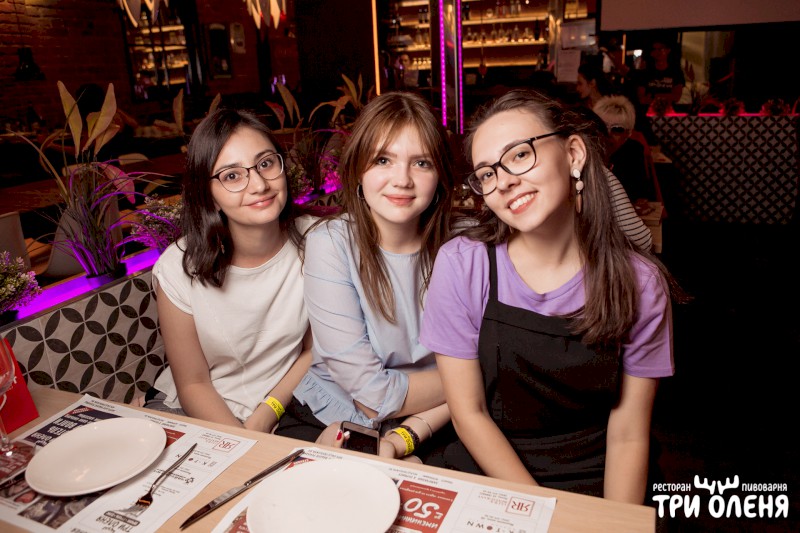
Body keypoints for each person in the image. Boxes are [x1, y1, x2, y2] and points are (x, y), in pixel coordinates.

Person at [420, 89, 681, 503]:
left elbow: (628, 433)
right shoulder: (462, 264)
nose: (504, 181)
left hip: (598, 472)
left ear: (573, 153)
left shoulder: (639, 282)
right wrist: (542, 513)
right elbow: (470, 414)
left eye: (520, 154)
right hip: (491, 467)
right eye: (486, 173)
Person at [275, 92, 455, 461]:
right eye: (383, 160)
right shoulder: (331, 244)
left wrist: (409, 430)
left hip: (435, 418)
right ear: (359, 169)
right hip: (332, 414)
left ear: (439, 175)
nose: (402, 180)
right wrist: (468, 376)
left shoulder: (463, 245)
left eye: (421, 162)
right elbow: (374, 397)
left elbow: (497, 363)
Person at [143, 108, 314, 432]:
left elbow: (314, 351)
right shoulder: (178, 267)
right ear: (209, 195)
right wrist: (242, 442)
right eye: (232, 176)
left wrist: (266, 414)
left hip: (285, 407)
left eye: (266, 163)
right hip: (197, 409)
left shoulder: (317, 243)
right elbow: (193, 383)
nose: (259, 184)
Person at [593, 95, 657, 204]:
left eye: (617, 129)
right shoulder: (585, 150)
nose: (608, 134)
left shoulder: (634, 151)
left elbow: (640, 194)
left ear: (628, 133)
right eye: (602, 127)